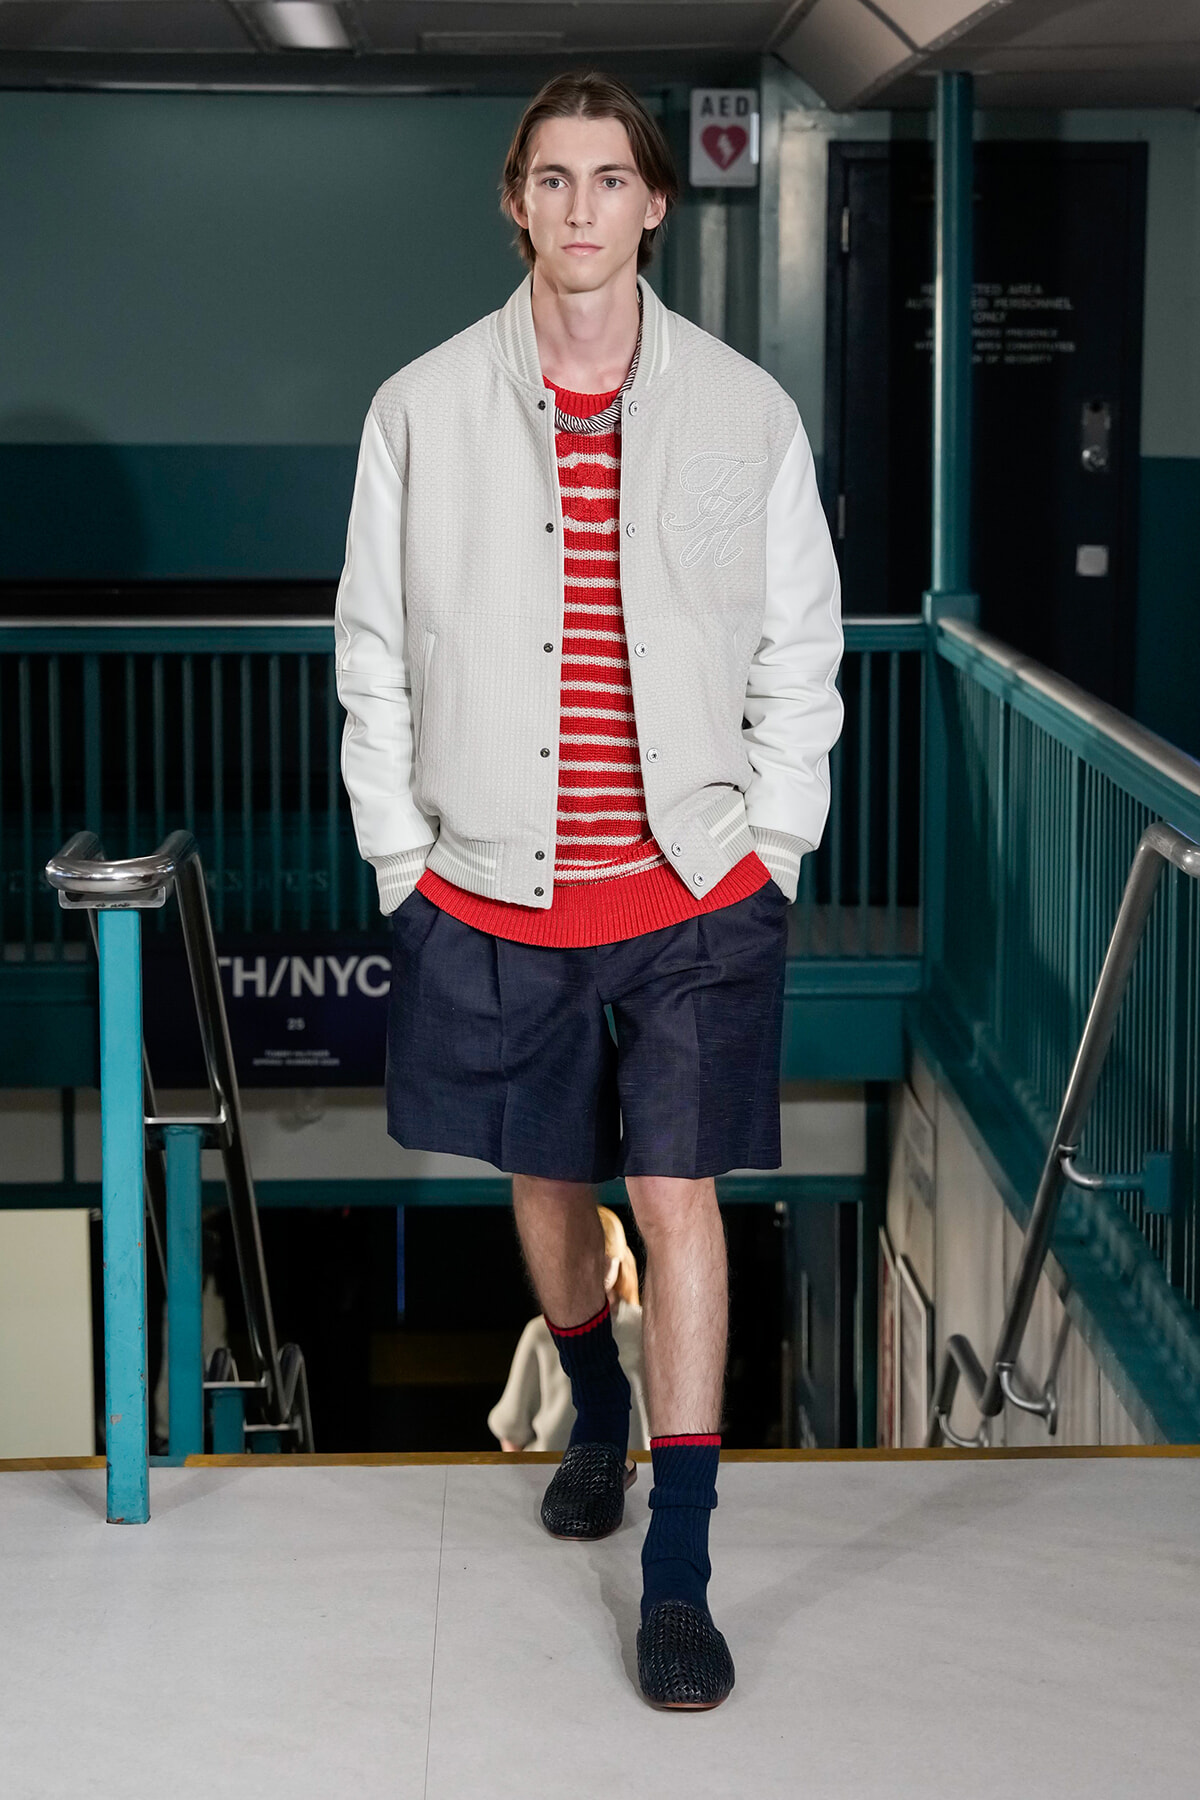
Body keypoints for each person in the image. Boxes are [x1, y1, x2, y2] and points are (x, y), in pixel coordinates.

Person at [334, 69, 843, 1710]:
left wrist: (776, 839)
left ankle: (679, 1568)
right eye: (548, 180)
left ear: (650, 203)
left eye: (605, 179)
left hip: (695, 887)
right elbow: (367, 655)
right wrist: (403, 864)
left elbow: (800, 645)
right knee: (552, 1191)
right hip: (490, 891)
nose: (577, 208)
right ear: (514, 200)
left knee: (682, 1195)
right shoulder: (418, 407)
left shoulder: (746, 413)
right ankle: (594, 1400)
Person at [489, 1206, 650, 1453]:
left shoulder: (647, 1331)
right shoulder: (541, 1333)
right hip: (553, 1477)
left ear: (619, 1257)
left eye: (604, 1254)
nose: (593, 1264)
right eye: (582, 1254)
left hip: (632, 1477)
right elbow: (512, 1429)